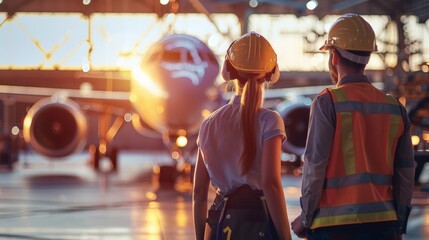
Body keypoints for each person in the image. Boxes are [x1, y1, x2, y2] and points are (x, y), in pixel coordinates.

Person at [291, 13, 415, 240]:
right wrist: (398, 223)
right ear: (367, 57)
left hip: (333, 226)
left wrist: (306, 218)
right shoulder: (394, 107)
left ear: (334, 56)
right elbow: (406, 172)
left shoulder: (327, 102)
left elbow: (315, 166)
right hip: (384, 224)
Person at [193, 31, 292, 240]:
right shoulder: (270, 121)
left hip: (219, 225)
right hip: (258, 225)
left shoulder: (208, 124)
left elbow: (199, 193)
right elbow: (271, 184)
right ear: (271, 72)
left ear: (228, 70)